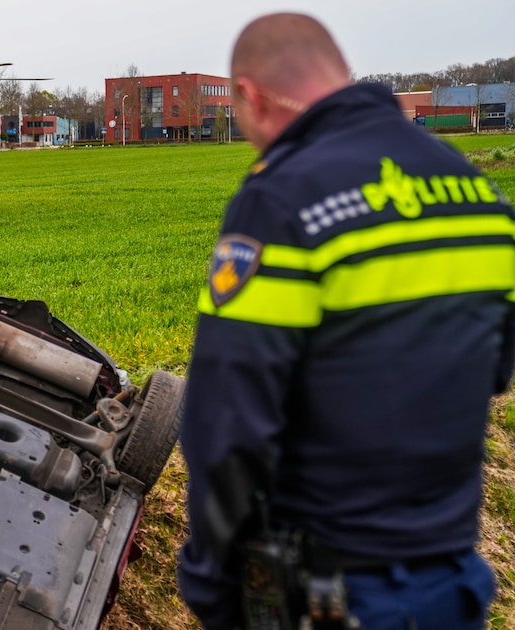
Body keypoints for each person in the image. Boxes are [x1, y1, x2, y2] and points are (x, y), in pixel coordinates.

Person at [177, 12, 514, 630]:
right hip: (453, 582)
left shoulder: (281, 199)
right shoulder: (477, 194)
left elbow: (227, 422)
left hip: (333, 591)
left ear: (248, 97)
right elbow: (493, 368)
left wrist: (212, 585)